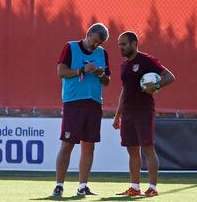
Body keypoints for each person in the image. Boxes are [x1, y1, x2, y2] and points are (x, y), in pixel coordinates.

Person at [113, 31, 175, 197]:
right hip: (127, 113)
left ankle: (153, 188)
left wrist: (156, 86)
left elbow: (170, 77)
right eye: (119, 45)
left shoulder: (146, 60)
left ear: (134, 44)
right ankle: (134, 187)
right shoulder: (124, 66)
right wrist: (117, 114)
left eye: (124, 44)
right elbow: (124, 91)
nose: (121, 48)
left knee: (148, 149)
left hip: (143, 111)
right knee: (132, 150)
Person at [53, 23, 111, 196]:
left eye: (99, 44)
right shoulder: (70, 47)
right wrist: (81, 70)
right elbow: (60, 72)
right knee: (68, 144)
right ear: (88, 33)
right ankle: (59, 185)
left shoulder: (102, 53)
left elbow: (107, 81)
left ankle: (82, 186)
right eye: (94, 41)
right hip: (74, 102)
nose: (95, 46)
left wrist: (100, 73)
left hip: (94, 103)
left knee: (89, 146)